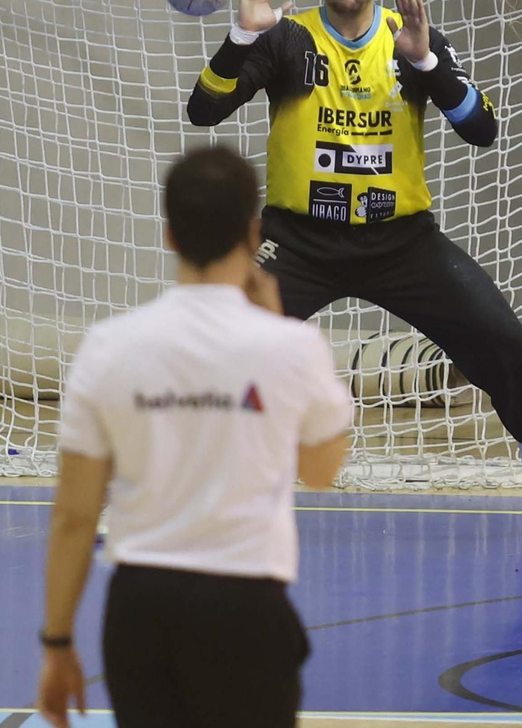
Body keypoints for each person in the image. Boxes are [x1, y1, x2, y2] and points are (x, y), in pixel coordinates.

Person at [186, 0, 522, 536]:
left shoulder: (411, 37)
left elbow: (483, 130)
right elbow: (203, 111)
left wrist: (428, 65)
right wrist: (242, 38)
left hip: (402, 245)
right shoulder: (286, 38)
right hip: (297, 243)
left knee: (502, 340)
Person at [35, 145, 353, 728]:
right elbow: (322, 469)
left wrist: (56, 642)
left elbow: (74, 515)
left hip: (140, 611)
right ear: (254, 233)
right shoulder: (291, 347)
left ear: (169, 236)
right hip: (247, 609)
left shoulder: (109, 346)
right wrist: (277, 330)